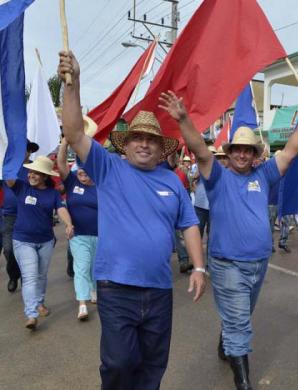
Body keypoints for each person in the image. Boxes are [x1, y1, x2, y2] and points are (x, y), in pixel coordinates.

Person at [59, 51, 206, 390]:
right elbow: (74, 130)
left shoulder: (173, 181)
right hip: (116, 288)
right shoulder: (108, 168)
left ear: (160, 147)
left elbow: (189, 224)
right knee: (119, 362)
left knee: (153, 364)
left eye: (151, 140)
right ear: (125, 146)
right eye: (138, 138)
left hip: (158, 290)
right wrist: (73, 84)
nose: (144, 144)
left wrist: (198, 268)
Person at [159, 90, 298, 390]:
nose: (243, 154)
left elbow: (292, 151)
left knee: (241, 316)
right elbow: (200, 150)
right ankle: (243, 383)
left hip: (259, 264)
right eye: (237, 150)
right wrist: (183, 119)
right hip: (227, 265)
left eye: (248, 150)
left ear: (255, 154)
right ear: (229, 153)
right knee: (240, 323)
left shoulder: (265, 175)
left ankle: (227, 342)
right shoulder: (217, 177)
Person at [5, 156, 73, 329]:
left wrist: (69, 224)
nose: (31, 175)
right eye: (30, 172)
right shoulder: (21, 186)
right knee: (30, 276)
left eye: (36, 173)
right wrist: (8, 154)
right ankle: (31, 314)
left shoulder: (53, 194)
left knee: (41, 275)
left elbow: (61, 208)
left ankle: (39, 303)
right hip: (23, 240)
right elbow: (8, 177)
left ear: (44, 176)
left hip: (45, 241)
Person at [57, 138, 98, 320]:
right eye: (80, 172)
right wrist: (65, 143)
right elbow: (60, 163)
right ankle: (82, 304)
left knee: (95, 267)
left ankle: (93, 288)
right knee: (81, 267)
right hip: (78, 235)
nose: (82, 176)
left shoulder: (101, 186)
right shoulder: (72, 182)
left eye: (86, 173)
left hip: (99, 235)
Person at [2, 140, 39, 292]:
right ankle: (13, 275)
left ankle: (27, 280)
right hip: (10, 216)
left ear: (29, 151)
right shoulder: (6, 166)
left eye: (23, 149)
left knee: (28, 251)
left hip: (29, 214)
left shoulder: (35, 168)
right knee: (9, 250)